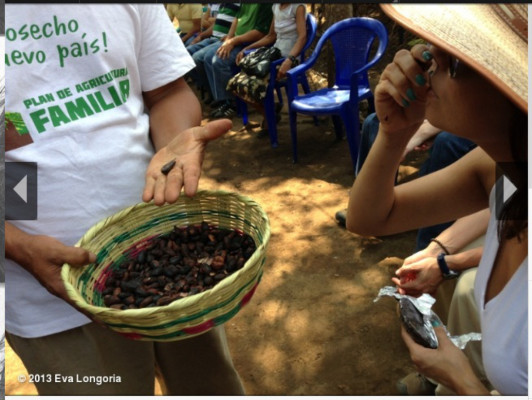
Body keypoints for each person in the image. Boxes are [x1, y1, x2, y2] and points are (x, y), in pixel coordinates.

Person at [5, 4, 244, 395]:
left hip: (170, 249)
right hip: (54, 299)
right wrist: (18, 245)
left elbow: (168, 91)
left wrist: (174, 147)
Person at [346, 3, 527, 395]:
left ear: (514, 96)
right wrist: (394, 134)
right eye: (436, 50)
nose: (429, 63)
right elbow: (369, 218)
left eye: (456, 61)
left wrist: (460, 380)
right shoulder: (500, 168)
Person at [336, 113, 476, 252]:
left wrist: (434, 126)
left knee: (447, 142)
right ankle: (377, 204)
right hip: (446, 115)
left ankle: (427, 243)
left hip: (472, 116)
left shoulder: (494, 167)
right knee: (373, 122)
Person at [228, 3, 307, 137]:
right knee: (235, 84)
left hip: (289, 58)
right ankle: (269, 114)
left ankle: (269, 119)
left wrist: (290, 60)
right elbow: (271, 36)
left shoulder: (297, 7)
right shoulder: (275, 6)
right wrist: (247, 49)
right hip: (274, 55)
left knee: (255, 84)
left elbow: (302, 37)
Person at [204, 3, 274, 119]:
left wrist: (233, 41)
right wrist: (229, 39)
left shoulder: (266, 5)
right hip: (238, 41)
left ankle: (231, 104)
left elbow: (260, 33)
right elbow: (237, 19)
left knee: (220, 61)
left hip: (251, 44)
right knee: (207, 58)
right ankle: (223, 99)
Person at [186, 3, 242, 105]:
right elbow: (215, 26)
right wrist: (201, 35)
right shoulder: (223, 4)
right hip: (212, 39)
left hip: (222, 40)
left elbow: (239, 24)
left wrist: (230, 38)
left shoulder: (238, 4)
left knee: (200, 58)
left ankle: (223, 99)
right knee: (188, 53)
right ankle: (210, 90)